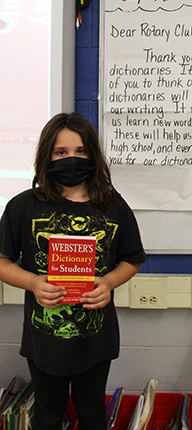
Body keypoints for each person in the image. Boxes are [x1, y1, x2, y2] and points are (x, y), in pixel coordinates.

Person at [0, 112, 146, 430]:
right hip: (44, 340)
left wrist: (108, 282)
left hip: (96, 339)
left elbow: (133, 259)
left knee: (92, 410)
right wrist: (33, 282)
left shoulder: (113, 206)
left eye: (80, 151)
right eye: (61, 152)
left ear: (92, 154)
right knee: (49, 414)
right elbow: (2, 261)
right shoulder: (24, 206)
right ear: (46, 156)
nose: (71, 159)